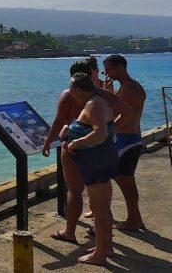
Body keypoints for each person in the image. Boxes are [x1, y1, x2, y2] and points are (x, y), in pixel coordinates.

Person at [44, 61, 131, 244]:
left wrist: (48, 142)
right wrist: (111, 128)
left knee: (75, 191)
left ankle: (70, 231)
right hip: (101, 149)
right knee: (101, 193)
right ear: (91, 75)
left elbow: (59, 121)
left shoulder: (69, 95)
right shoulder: (103, 94)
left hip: (75, 147)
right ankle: (101, 232)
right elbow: (128, 112)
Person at [62, 72, 118, 266]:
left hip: (96, 162)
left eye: (72, 92)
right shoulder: (99, 101)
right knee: (102, 207)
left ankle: (100, 255)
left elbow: (100, 131)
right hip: (101, 159)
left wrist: (77, 141)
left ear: (78, 89)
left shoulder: (94, 104)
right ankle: (105, 246)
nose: (71, 95)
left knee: (99, 208)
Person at [103, 54, 146, 231]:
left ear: (120, 67)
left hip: (126, 140)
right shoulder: (130, 87)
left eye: (109, 70)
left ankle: (133, 220)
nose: (108, 74)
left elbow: (121, 115)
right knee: (125, 180)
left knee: (126, 182)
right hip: (131, 138)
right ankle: (136, 218)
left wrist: (107, 131)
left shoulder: (128, 89)